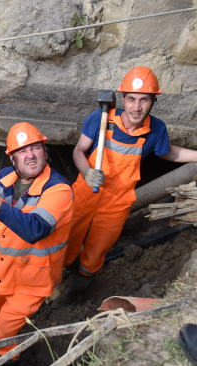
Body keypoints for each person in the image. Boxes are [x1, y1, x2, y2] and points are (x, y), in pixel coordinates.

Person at [53, 66, 197, 308]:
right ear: (123, 99)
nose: (136, 107)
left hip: (116, 203)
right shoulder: (101, 118)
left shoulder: (156, 130)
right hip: (85, 192)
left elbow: (168, 153)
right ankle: (57, 279)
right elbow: (79, 151)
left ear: (153, 101)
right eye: (131, 99)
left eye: (144, 100)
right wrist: (87, 172)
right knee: (66, 240)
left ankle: (75, 291)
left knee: (95, 252)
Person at [0, 122, 74, 366]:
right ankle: (13, 350)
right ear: (12, 157)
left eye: (35, 148)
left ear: (46, 152)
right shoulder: (1, 178)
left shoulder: (59, 190)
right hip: (4, 274)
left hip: (33, 282)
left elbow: (34, 229)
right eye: (22, 151)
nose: (30, 155)